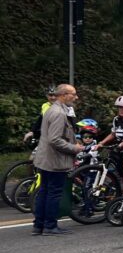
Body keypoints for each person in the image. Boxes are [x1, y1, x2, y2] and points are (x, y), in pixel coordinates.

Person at [31, 84, 84, 235]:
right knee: (54, 192)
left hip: (46, 159)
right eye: (73, 94)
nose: (76, 97)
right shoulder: (59, 113)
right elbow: (55, 139)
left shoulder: (51, 110)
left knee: (44, 191)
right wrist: (75, 148)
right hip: (55, 161)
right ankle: (50, 226)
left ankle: (39, 225)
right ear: (63, 95)